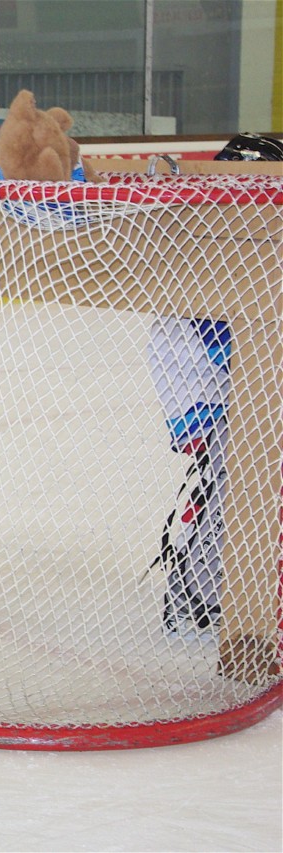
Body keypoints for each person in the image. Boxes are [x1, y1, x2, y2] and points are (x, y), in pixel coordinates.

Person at [146, 132, 282, 635]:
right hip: (214, 393)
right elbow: (185, 338)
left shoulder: (258, 251)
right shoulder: (204, 256)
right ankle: (200, 593)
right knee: (231, 480)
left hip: (239, 390)